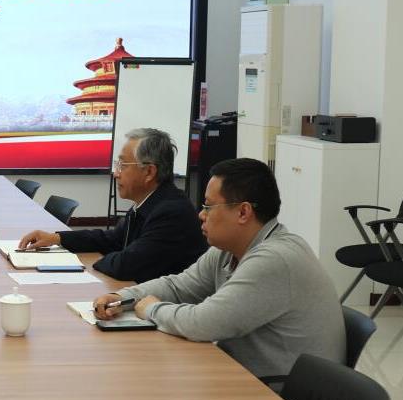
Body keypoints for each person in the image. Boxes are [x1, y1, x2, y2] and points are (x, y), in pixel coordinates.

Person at [92, 158, 345, 382]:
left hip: (281, 396)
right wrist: (123, 297)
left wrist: (151, 309)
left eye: (208, 207)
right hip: (243, 376)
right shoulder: (229, 248)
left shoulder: (274, 259)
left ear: (243, 212)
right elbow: (179, 286)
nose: (201, 215)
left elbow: (203, 323)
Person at [19, 127, 206, 282]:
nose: (116, 173)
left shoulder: (172, 213)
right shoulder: (149, 202)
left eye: (123, 165)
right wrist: (57, 238)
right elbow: (112, 240)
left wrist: (91, 262)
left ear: (149, 172)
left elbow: (127, 266)